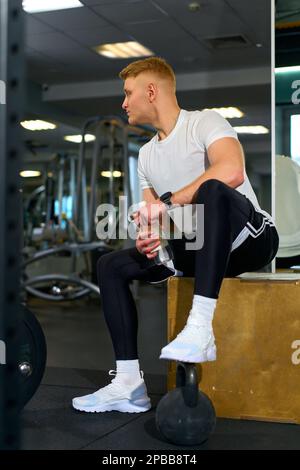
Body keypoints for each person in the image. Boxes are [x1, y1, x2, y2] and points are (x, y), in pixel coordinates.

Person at [72, 57, 279, 414]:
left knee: (212, 189)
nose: (123, 103)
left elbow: (231, 170)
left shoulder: (204, 122)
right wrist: (148, 235)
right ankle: (127, 384)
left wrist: (164, 204)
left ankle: (200, 328)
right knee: (111, 265)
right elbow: (157, 222)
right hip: (199, 246)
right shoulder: (147, 155)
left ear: (151, 91)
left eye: (128, 93)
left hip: (250, 239)